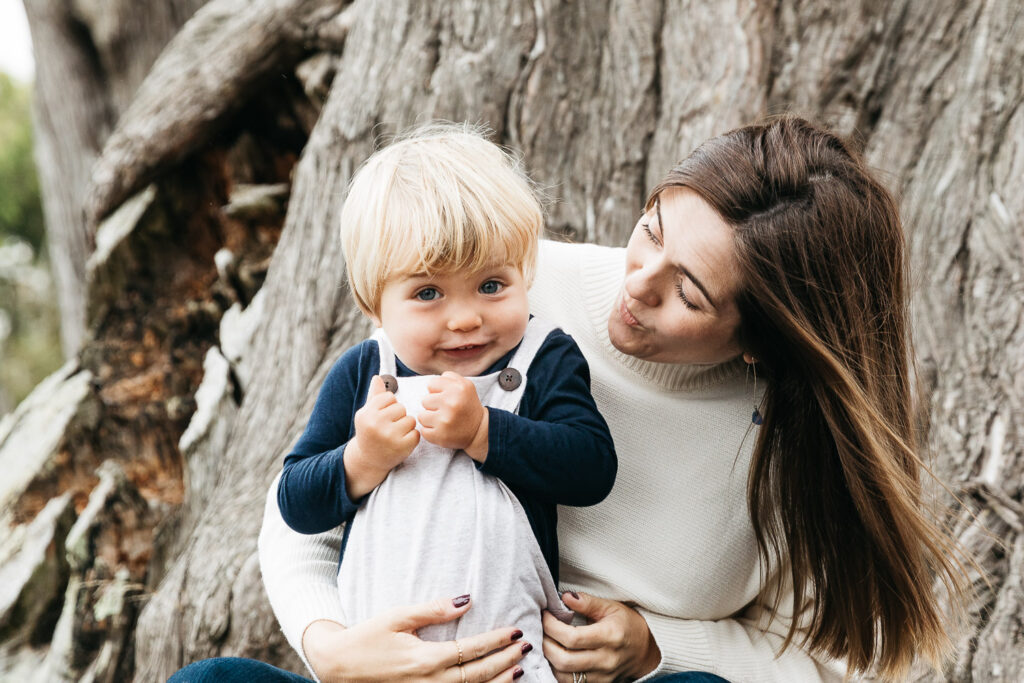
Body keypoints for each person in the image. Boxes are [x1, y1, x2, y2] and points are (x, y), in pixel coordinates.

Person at [175, 116, 966, 683]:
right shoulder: (487, 285)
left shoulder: (788, 447)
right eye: (651, 229)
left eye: (685, 292)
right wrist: (332, 647)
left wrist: (659, 645)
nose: (636, 284)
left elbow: (840, 666)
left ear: (763, 338)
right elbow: (296, 519)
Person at [278, 126, 615, 682]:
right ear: (374, 303)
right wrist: (362, 459)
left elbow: (591, 469)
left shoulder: (544, 357)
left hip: (511, 662)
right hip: (386, 670)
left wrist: (485, 432)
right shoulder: (365, 371)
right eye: (428, 293)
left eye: (491, 285)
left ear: (524, 273)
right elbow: (296, 502)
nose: (465, 318)